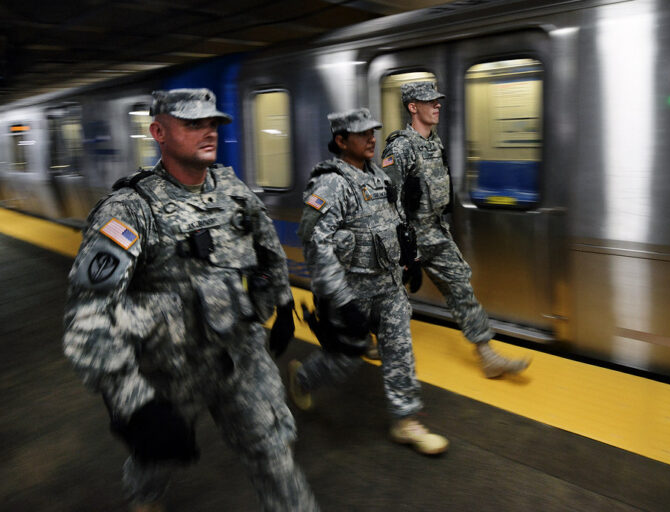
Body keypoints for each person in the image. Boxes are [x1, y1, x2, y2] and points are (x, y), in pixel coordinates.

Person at [62, 88, 318, 512]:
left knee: (274, 451)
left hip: (240, 357)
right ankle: (144, 496)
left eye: (212, 122)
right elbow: (88, 318)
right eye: (193, 123)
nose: (209, 131)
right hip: (170, 370)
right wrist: (134, 404)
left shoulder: (231, 190)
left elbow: (267, 244)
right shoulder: (130, 210)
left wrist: (282, 301)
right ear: (158, 132)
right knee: (156, 456)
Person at [289, 108, 448, 456]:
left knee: (400, 351)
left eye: (372, 132)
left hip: (388, 287)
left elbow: (396, 222)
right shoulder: (331, 183)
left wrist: (410, 259)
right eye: (362, 134)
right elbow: (316, 244)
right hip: (351, 292)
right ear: (341, 140)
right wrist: (342, 302)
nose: (371, 139)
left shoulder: (378, 177)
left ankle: (406, 421)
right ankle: (304, 377)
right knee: (347, 357)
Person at [381, 81, 531, 379]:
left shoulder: (435, 143)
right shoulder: (400, 148)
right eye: (430, 101)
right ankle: (359, 338)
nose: (437, 105)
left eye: (438, 100)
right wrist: (402, 248)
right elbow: (389, 202)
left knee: (461, 286)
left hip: (435, 233)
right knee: (384, 297)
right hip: (406, 239)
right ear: (413, 107)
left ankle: (486, 355)